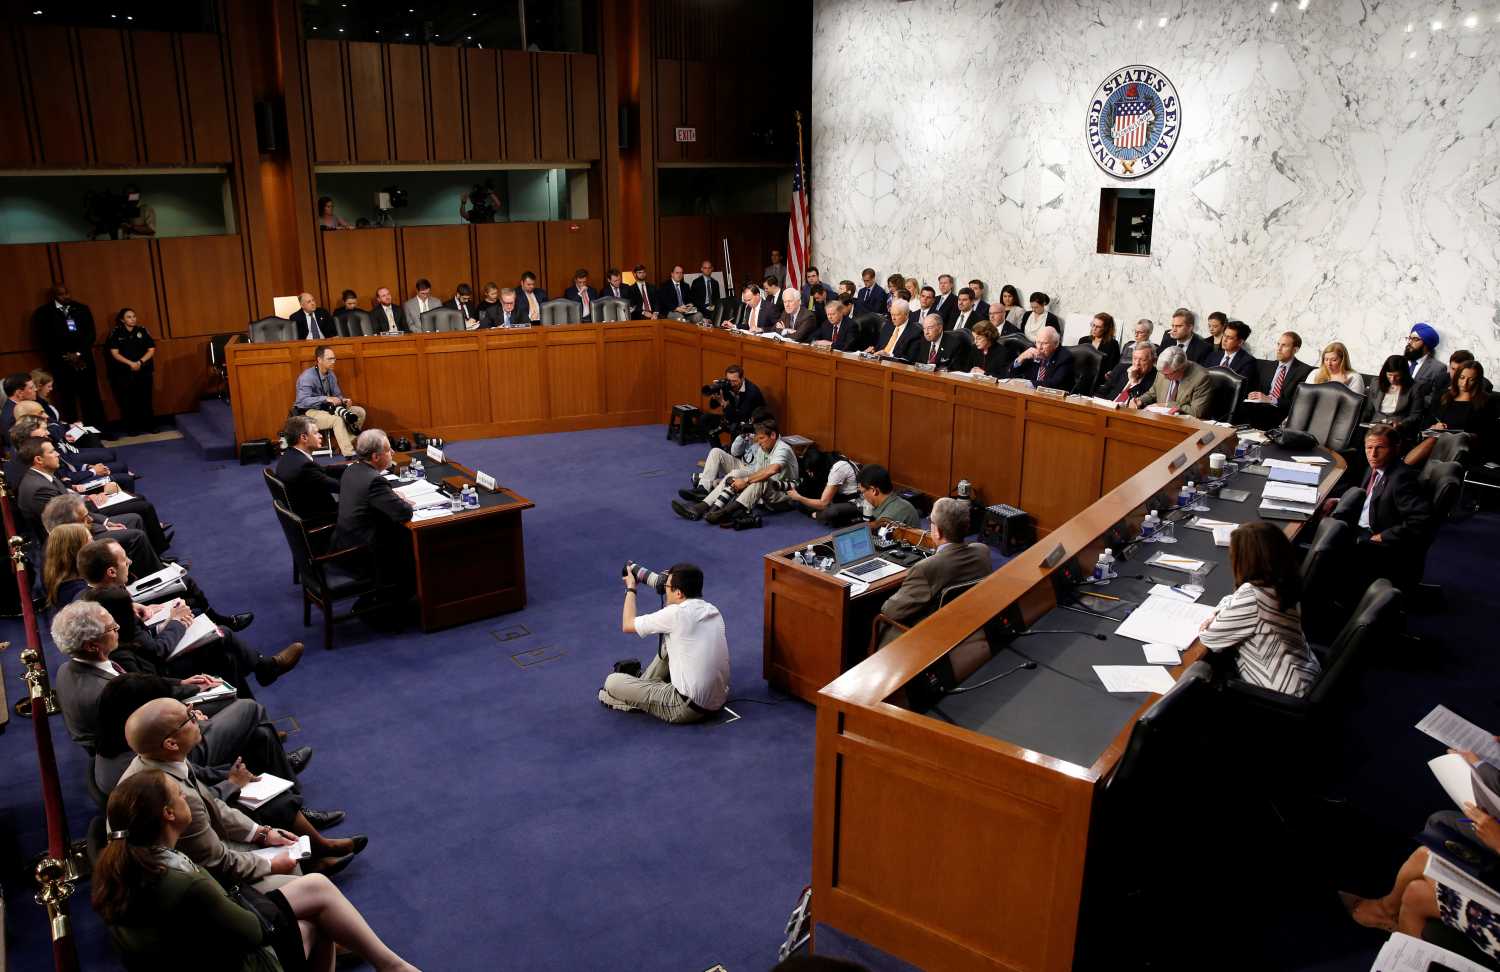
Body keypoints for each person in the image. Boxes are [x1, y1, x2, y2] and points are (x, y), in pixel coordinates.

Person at [92, 771, 417, 971]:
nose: (186, 798)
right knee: (318, 919)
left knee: (316, 888)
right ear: (168, 814)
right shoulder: (181, 879)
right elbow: (253, 931)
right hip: (230, 963)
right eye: (180, 796)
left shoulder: (126, 862)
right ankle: (392, 966)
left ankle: (391, 966)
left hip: (193, 956)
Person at [118, 699, 365, 888]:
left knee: (276, 835)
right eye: (189, 717)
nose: (198, 718)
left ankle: (314, 862)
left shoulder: (160, 760)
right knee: (303, 881)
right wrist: (269, 863)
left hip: (202, 852)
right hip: (196, 881)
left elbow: (214, 805)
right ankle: (311, 942)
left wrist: (263, 834)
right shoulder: (175, 794)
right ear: (171, 743)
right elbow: (217, 861)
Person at [1196, 522, 1321, 697]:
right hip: (1305, 675)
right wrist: (1226, 606)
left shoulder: (1253, 595)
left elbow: (1210, 637)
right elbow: (1232, 600)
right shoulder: (1282, 581)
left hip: (1280, 695)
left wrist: (1217, 613)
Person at [599, 563, 728, 723]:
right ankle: (644, 687)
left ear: (679, 593)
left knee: (612, 682)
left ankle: (634, 703)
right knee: (669, 646)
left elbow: (627, 624)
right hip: (718, 699)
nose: (663, 588)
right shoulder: (713, 610)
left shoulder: (675, 614)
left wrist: (631, 588)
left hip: (685, 707)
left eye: (667, 586)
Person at [876, 498, 990, 647]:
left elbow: (891, 612)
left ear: (937, 531)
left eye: (931, 522)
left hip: (924, 636)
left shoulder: (925, 568)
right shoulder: (982, 551)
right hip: (966, 626)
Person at [1337, 423, 1433, 590]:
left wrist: (1385, 536)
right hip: (1362, 524)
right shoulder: (1374, 468)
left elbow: (1422, 519)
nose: (1373, 454)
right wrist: (1339, 501)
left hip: (1377, 542)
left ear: (1396, 448)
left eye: (1380, 448)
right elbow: (1370, 500)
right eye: (1369, 448)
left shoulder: (1401, 478)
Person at [672, 417, 797, 525]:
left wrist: (745, 481)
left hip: (784, 497)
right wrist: (739, 480)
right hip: (767, 492)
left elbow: (772, 470)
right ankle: (701, 507)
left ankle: (724, 512)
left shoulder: (782, 448)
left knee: (760, 480)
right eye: (758, 439)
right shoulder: (763, 448)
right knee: (736, 474)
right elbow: (756, 471)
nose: (758, 443)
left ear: (773, 435)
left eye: (761, 438)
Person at [334, 429, 415, 590]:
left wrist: (389, 495)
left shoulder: (352, 469)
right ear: (375, 457)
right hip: (365, 551)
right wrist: (399, 498)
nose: (392, 452)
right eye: (388, 450)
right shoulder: (374, 481)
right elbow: (404, 512)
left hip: (344, 540)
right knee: (413, 537)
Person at [33, 284, 105, 427]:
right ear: (54, 296)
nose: (66, 297)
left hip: (83, 360)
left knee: (91, 396)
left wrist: (78, 353)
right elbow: (44, 340)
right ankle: (74, 433)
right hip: (61, 363)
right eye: (61, 294)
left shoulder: (81, 309)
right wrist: (64, 356)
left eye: (67, 293)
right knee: (67, 398)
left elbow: (90, 335)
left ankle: (99, 429)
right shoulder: (43, 313)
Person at [1405, 360, 1497, 466]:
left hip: (1463, 445)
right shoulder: (1444, 395)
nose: (1465, 383)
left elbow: (1487, 433)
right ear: (1457, 377)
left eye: (1471, 380)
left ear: (1477, 381)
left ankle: (1404, 467)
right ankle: (1405, 468)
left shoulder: (1486, 401)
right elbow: (1426, 422)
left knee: (1434, 440)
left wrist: (1459, 435)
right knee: (1433, 439)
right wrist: (1434, 426)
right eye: (1462, 378)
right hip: (1436, 439)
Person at [293, 347, 364, 459]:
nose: (333, 362)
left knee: (359, 412)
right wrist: (325, 398)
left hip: (329, 408)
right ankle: (349, 454)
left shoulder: (331, 374)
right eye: (330, 359)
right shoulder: (307, 377)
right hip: (310, 411)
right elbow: (302, 401)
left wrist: (343, 401)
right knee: (337, 420)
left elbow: (337, 395)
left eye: (334, 359)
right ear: (319, 360)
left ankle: (343, 444)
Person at [273, 415, 345, 524]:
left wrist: (348, 468)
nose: (321, 436)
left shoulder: (291, 455)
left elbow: (321, 470)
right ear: (304, 438)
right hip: (322, 518)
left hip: (305, 507)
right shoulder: (304, 467)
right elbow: (339, 487)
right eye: (316, 433)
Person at [103, 307, 157, 435]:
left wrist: (140, 362)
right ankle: (133, 428)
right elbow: (114, 353)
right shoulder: (116, 332)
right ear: (122, 320)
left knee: (146, 399)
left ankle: (150, 426)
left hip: (143, 371)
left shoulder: (142, 331)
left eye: (134, 316)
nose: (132, 319)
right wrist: (130, 364)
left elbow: (151, 349)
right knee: (128, 401)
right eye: (129, 317)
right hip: (124, 373)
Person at [1244, 331, 1312, 424]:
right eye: (1278, 344)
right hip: (1258, 412)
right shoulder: (1265, 366)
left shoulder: (1304, 371)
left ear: (1295, 350)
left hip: (1282, 416)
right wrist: (1253, 395)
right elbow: (1255, 388)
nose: (1279, 349)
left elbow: (1298, 402)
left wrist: (1271, 399)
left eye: (1284, 346)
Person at [1132, 345, 1213, 417]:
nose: (1164, 377)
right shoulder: (1163, 370)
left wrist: (1167, 405)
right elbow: (1152, 393)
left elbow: (1197, 411)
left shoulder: (1201, 378)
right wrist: (1141, 401)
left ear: (1180, 369)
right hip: (1160, 419)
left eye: (1167, 374)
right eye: (1162, 373)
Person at [785, 450, 862, 524]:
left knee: (832, 511)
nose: (810, 474)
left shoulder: (838, 469)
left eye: (811, 471)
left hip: (855, 502)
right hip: (839, 497)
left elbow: (823, 504)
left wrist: (799, 497)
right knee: (800, 498)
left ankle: (817, 515)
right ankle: (817, 512)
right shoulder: (829, 459)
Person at [842, 463, 921, 528]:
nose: (863, 496)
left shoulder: (898, 510)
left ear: (874, 491)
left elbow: (867, 529)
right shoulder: (890, 503)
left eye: (862, 492)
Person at [1367, 354, 1425, 436]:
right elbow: (1368, 409)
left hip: (1398, 429)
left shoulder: (1415, 388)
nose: (1392, 379)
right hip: (1374, 427)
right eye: (1389, 375)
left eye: (1397, 376)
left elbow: (1416, 415)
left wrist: (1401, 424)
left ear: (1404, 374)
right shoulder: (1376, 383)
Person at [43, 521, 91, 609]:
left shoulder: (55, 571)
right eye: (90, 541)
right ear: (76, 550)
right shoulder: (79, 591)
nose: (94, 544)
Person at [1009, 326, 1074, 390]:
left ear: (1056, 344)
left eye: (1045, 343)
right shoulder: (1032, 350)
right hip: (1027, 393)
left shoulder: (1064, 357)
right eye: (1038, 342)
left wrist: (1028, 384)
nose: (1040, 347)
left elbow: (1054, 384)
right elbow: (1010, 374)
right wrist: (1021, 358)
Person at [1405, 322, 1448, 402]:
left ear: (1426, 345)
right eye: (1409, 338)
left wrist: (1413, 402)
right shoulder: (1401, 362)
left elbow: (1434, 397)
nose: (1409, 342)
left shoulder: (1438, 368)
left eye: (1415, 339)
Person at [1211, 320, 1258, 385]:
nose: (1224, 340)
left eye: (1229, 338)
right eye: (1224, 335)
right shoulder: (1213, 355)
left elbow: (1239, 387)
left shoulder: (1248, 362)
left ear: (1240, 342)